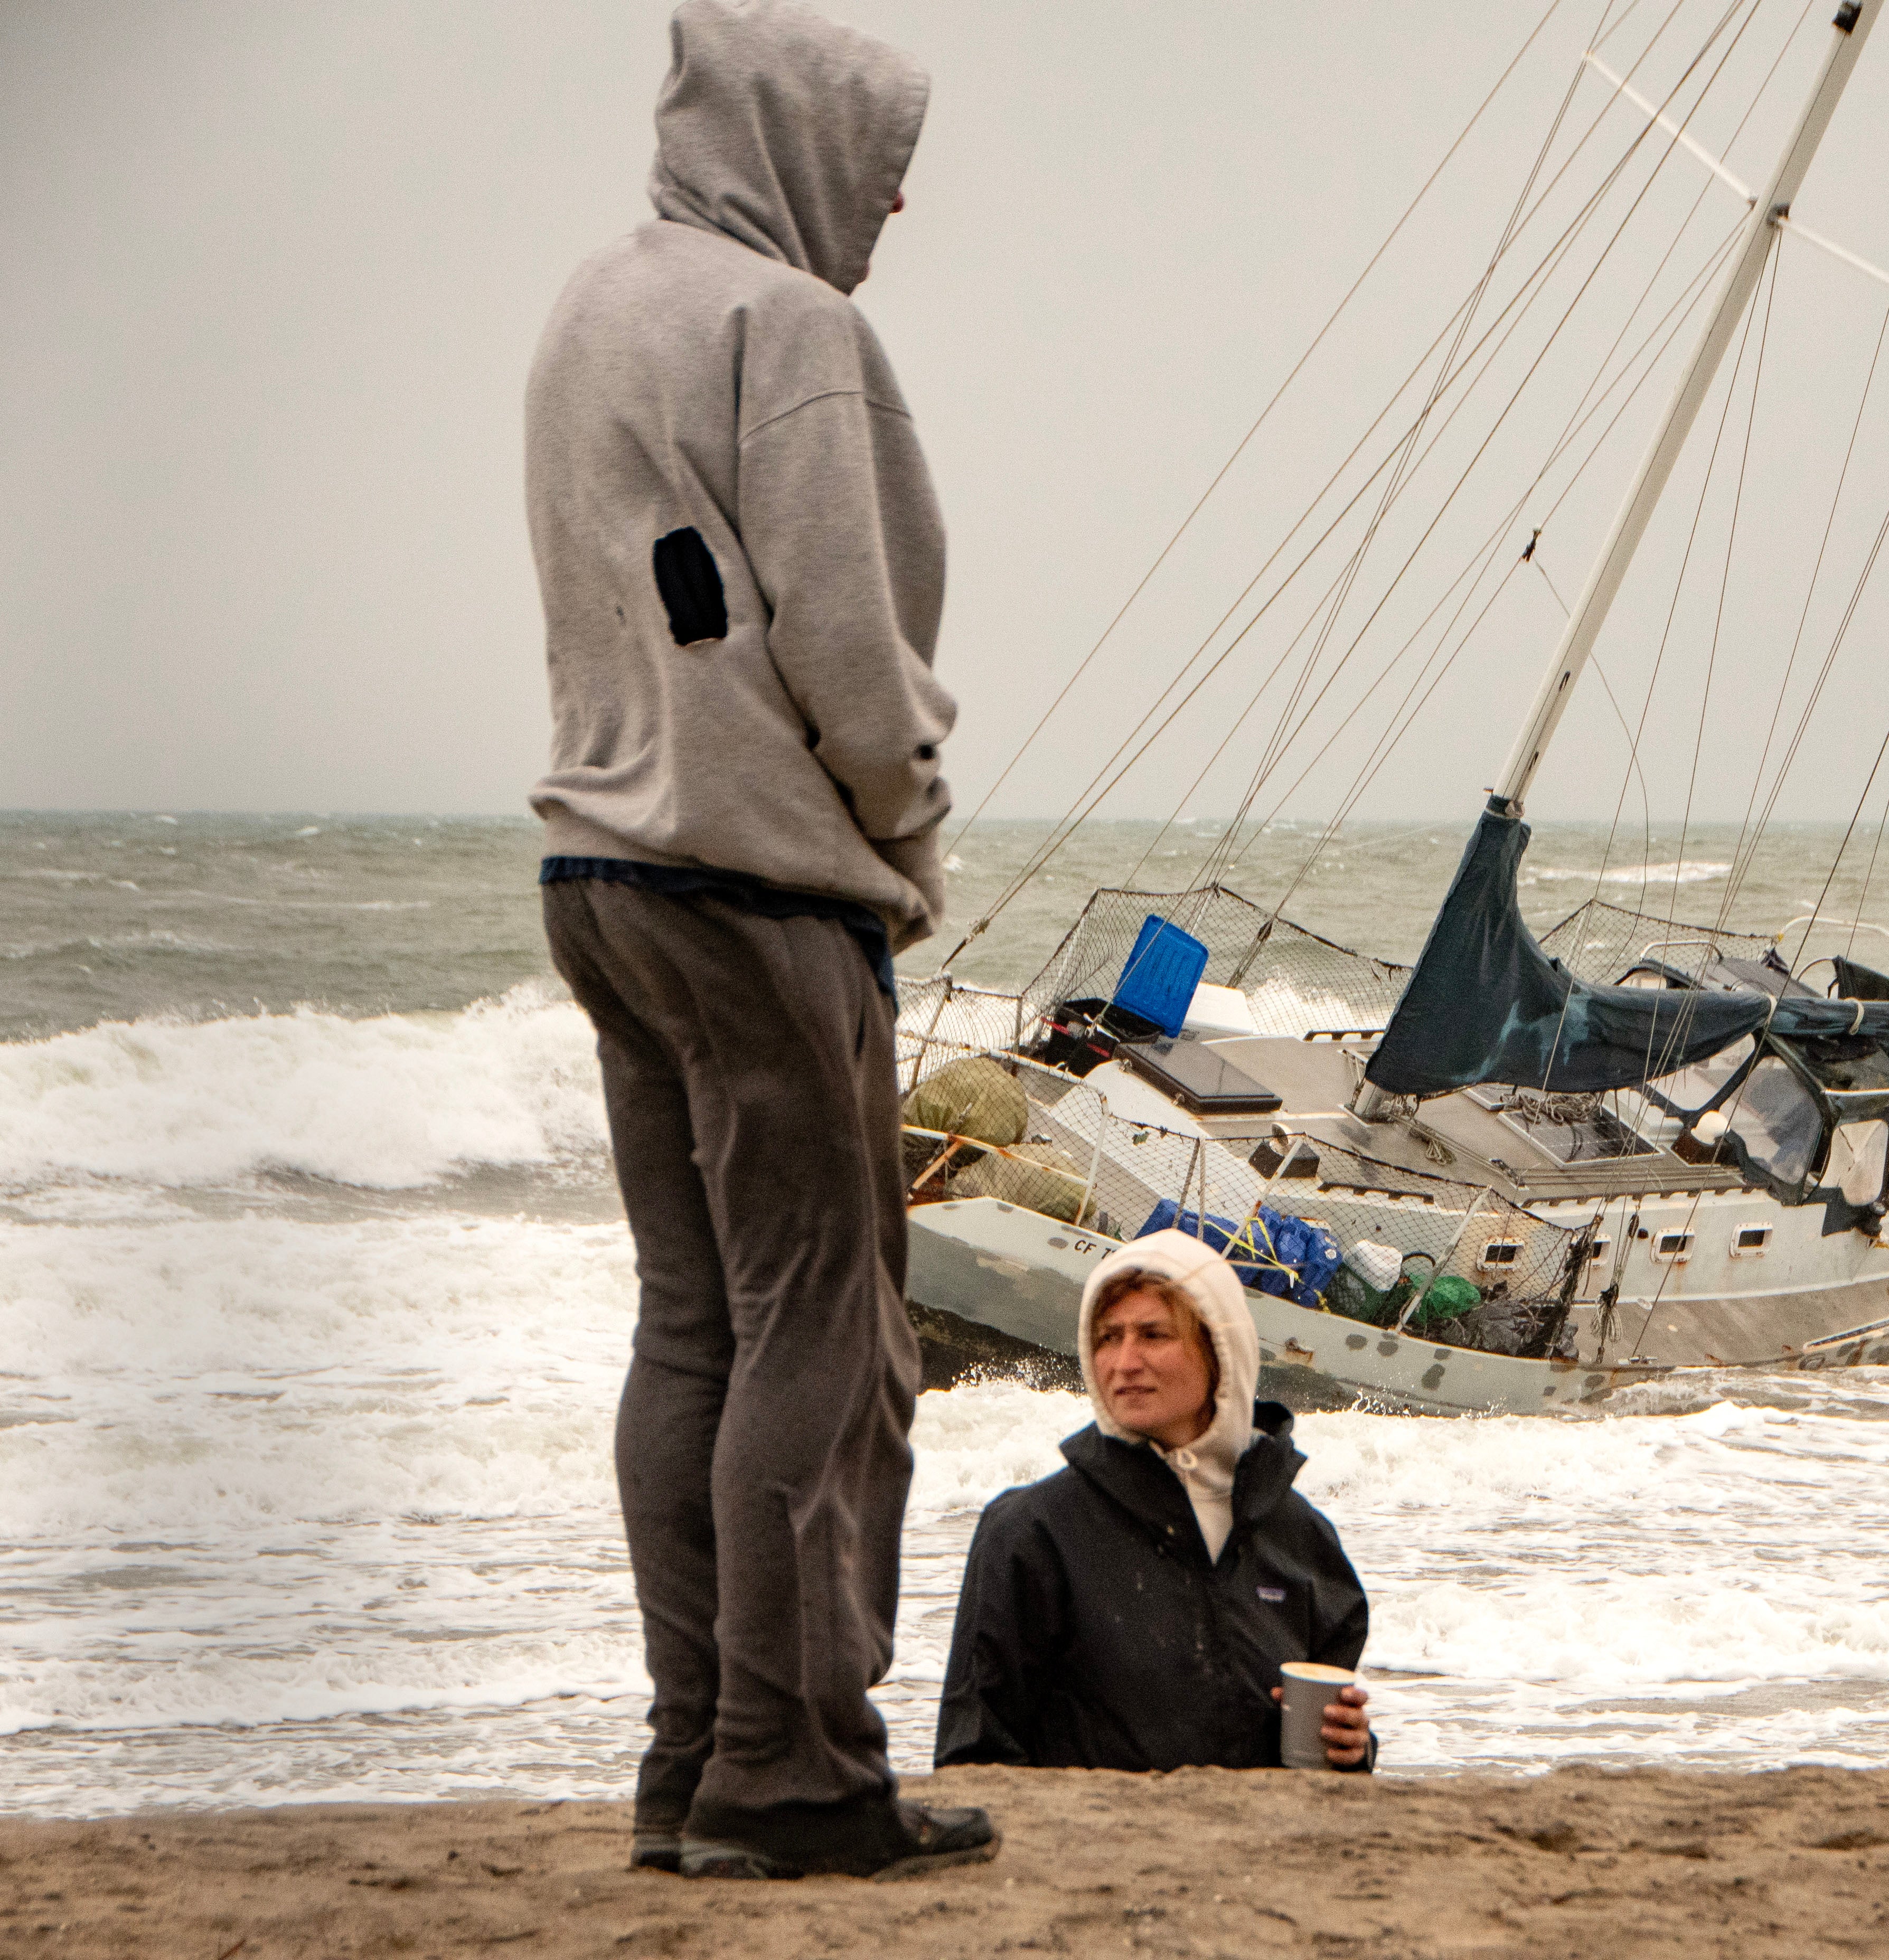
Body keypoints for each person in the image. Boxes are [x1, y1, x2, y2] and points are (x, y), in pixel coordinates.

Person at [524, 0, 988, 1881]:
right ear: (797, 135)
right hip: (757, 879)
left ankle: (689, 1767)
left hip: (596, 870)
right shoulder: (790, 328)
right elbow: (845, 648)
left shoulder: (589, 307)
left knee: (693, 1326)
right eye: (882, 150)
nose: (895, 192)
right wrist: (906, 823)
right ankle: (792, 1767)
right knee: (830, 1322)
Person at [934, 1230, 1377, 1772]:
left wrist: (1351, 1747)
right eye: (1106, 1337)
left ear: (1221, 1348)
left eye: (1153, 1334)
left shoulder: (1299, 1534)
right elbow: (973, 1753)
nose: (1125, 1361)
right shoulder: (1032, 1531)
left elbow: (1324, 1755)